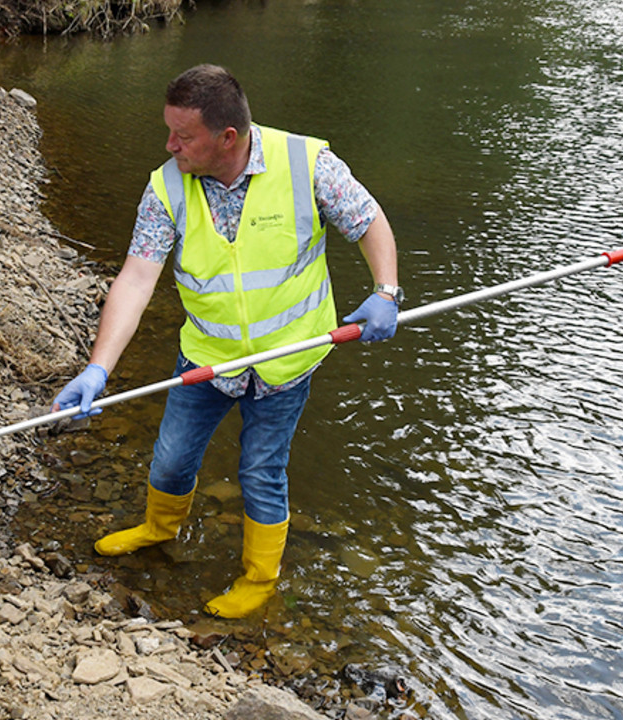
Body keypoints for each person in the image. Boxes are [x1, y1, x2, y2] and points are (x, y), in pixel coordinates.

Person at [53, 64, 402, 619]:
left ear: (227, 138)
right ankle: (157, 527)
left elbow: (368, 221)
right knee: (169, 460)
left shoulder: (306, 164)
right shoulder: (166, 185)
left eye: (182, 136)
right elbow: (138, 277)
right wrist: (99, 368)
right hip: (208, 358)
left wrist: (386, 291)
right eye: (169, 131)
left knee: (261, 471)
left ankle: (260, 579)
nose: (170, 145)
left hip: (287, 360)